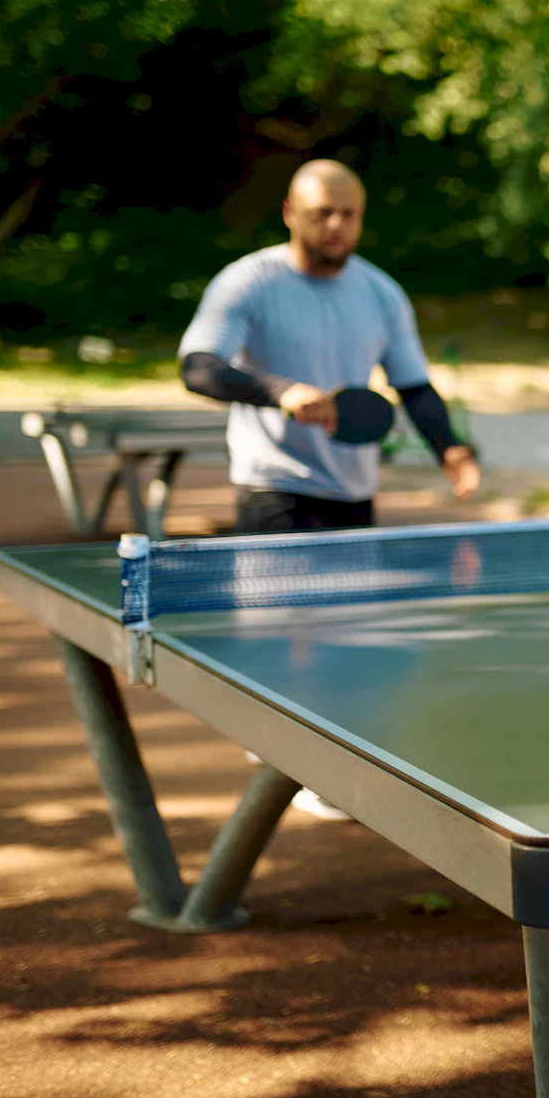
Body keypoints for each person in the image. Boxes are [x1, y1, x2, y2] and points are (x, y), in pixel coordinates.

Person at [179, 159, 481, 817]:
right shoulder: (250, 283)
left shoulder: (380, 293)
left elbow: (413, 387)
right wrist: (278, 390)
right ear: (290, 212)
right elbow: (198, 367)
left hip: (352, 487)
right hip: (272, 483)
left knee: (344, 632)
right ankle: (294, 766)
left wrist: (451, 448)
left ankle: (310, 755)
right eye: (323, 212)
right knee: (285, 634)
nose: (338, 224)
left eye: (349, 213)